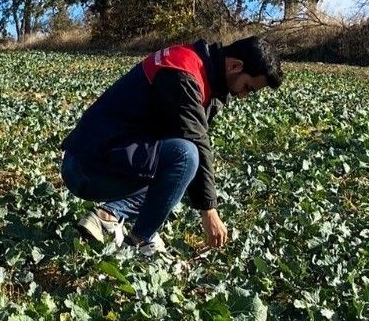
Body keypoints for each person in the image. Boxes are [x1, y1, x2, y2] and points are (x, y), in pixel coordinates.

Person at [60, 35, 282, 256]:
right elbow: (196, 141)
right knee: (186, 157)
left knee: (182, 171)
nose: (242, 95)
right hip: (86, 167)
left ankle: (107, 217)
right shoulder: (183, 73)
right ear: (235, 66)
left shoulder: (199, 70)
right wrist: (209, 211)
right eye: (248, 88)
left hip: (99, 158)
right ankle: (138, 242)